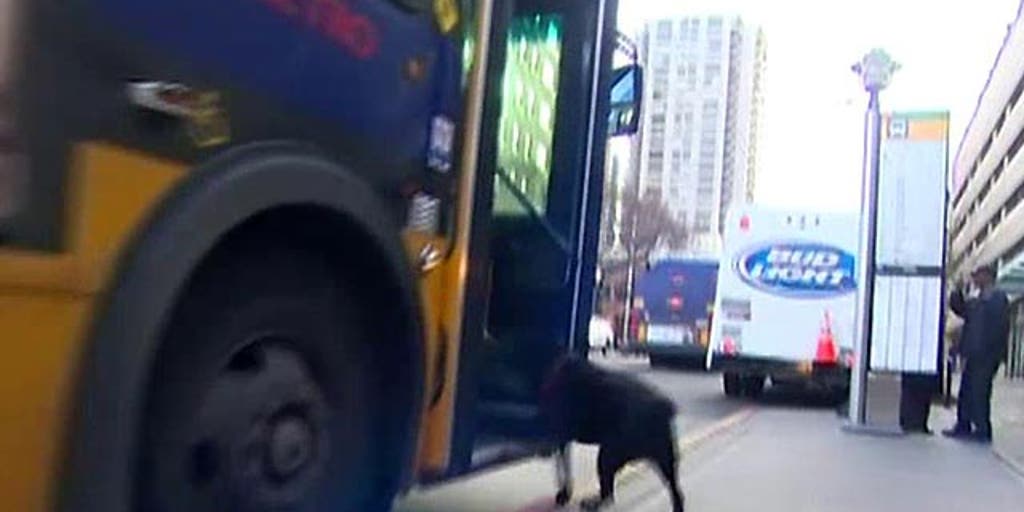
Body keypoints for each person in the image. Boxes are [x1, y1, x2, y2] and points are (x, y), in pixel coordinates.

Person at [943, 264, 1010, 443]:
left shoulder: (997, 298)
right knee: (967, 391)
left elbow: (998, 329)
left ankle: (982, 429)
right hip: (973, 354)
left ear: (988, 276)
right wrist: (957, 290)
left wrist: (992, 353)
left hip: (986, 356)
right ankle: (963, 424)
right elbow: (961, 309)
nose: (974, 279)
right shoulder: (977, 298)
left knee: (980, 392)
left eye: (977, 275)